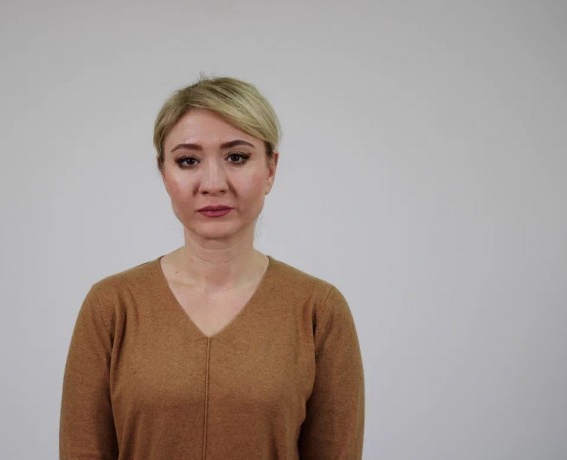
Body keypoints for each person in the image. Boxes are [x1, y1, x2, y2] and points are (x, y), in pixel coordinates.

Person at [60, 76, 365, 459]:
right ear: (163, 173)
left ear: (271, 169)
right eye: (188, 161)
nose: (213, 183)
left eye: (236, 157)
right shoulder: (111, 306)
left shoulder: (318, 309)